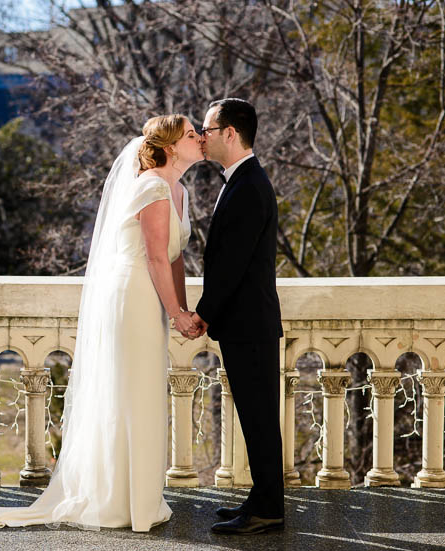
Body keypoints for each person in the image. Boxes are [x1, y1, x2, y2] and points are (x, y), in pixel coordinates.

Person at [0, 115, 204, 531]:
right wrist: (177, 313)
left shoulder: (179, 191)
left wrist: (180, 307)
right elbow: (156, 256)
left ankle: (138, 496)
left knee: (142, 392)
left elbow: (176, 256)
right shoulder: (153, 187)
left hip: (153, 298)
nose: (200, 139)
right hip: (133, 297)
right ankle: (117, 501)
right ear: (171, 146)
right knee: (130, 391)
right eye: (192, 134)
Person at [190, 98, 285, 535]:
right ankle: (261, 499)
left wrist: (203, 314)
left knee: (260, 418)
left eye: (207, 130)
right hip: (247, 323)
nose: (202, 138)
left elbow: (233, 265)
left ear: (230, 133)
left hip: (249, 325)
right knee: (255, 415)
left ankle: (267, 508)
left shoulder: (248, 185)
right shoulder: (241, 179)